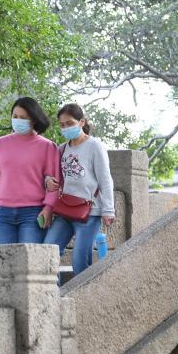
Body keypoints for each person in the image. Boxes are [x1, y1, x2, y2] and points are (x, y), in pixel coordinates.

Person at [42, 103, 115, 277]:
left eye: (70, 123)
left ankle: (84, 295)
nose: (65, 128)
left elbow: (105, 179)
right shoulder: (62, 149)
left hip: (90, 212)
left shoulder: (94, 146)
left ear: (82, 122)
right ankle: (52, 292)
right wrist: (47, 180)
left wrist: (108, 210)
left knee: (80, 261)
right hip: (65, 210)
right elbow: (50, 173)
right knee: (47, 252)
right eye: (62, 125)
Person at [0, 97, 60, 244]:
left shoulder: (47, 146)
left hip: (34, 213)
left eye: (23, 117)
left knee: (31, 258)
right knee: (0, 257)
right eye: (15, 116)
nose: (18, 120)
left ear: (33, 120)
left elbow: (55, 181)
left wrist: (49, 207)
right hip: (3, 213)